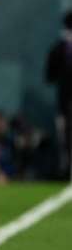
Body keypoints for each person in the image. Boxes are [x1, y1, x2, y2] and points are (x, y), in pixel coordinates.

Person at [46, 11, 72, 177]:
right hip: (64, 102)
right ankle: (66, 167)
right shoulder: (58, 49)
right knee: (64, 136)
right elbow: (49, 76)